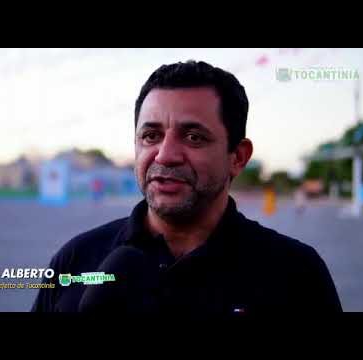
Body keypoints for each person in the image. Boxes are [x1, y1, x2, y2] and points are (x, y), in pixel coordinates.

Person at [32, 60, 342, 313]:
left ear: (238, 157)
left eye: (194, 137)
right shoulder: (76, 258)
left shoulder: (297, 274)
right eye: (151, 136)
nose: (165, 154)